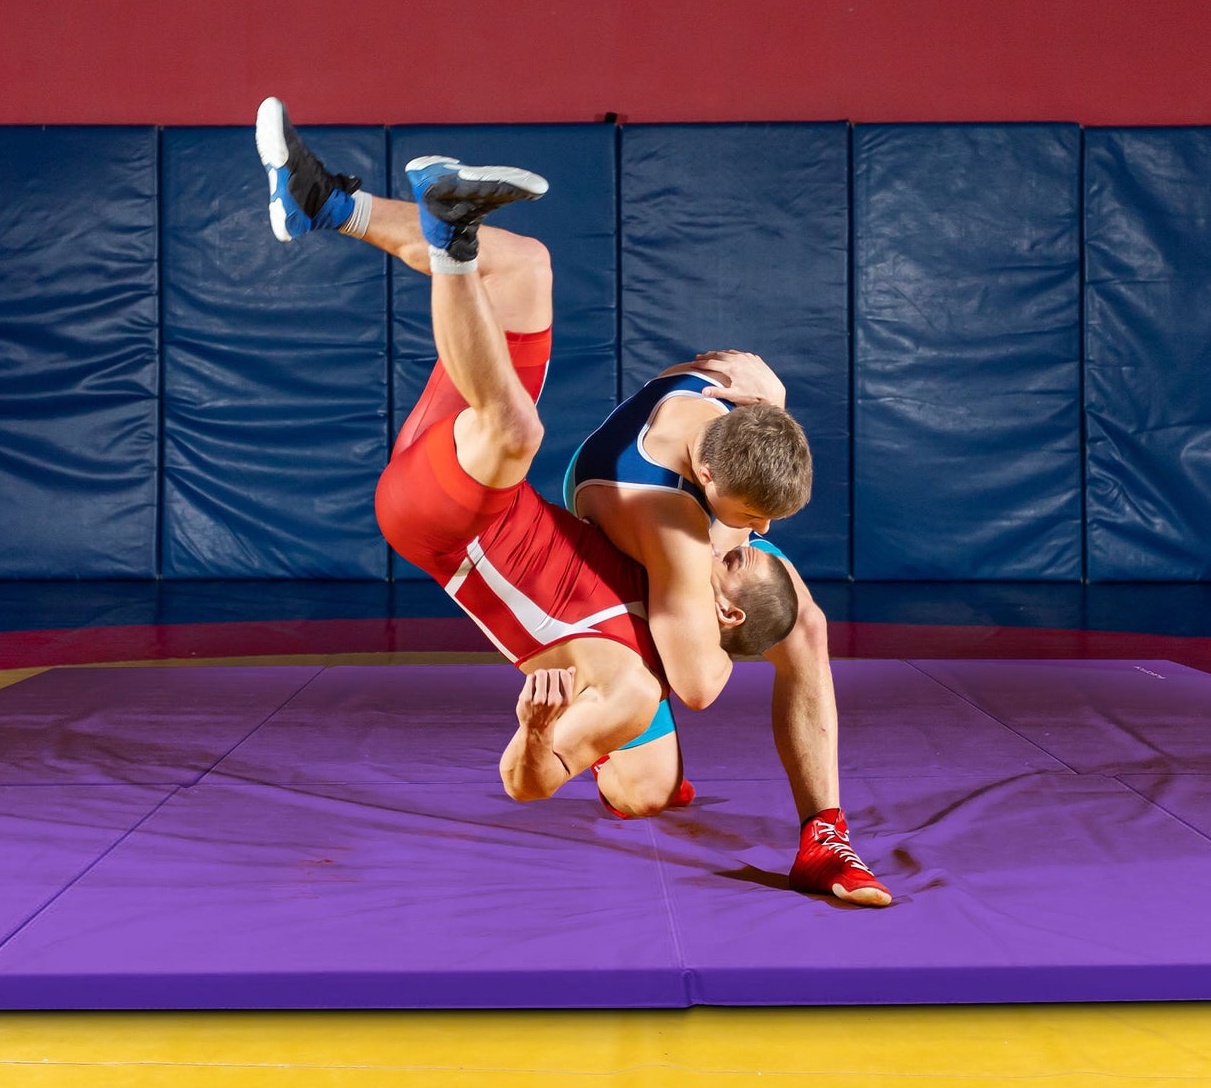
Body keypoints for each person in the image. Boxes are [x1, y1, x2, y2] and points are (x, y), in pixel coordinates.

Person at [254, 98, 798, 816]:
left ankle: (449, 237)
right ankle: (324, 203)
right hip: (467, 471)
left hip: (446, 523)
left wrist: (538, 733)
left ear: (724, 614)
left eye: (740, 553)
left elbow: (529, 781)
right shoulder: (663, 589)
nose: (739, 536)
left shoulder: (641, 676)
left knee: (518, 429)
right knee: (523, 268)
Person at [566, 352, 893, 906]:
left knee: (806, 624)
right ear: (709, 473)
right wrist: (722, 627)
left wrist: (778, 407)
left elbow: (752, 475)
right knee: (647, 794)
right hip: (610, 567)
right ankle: (605, 733)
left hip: (697, 521)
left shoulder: (735, 390)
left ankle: (824, 837)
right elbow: (697, 689)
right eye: (751, 517)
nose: (762, 530)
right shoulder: (670, 520)